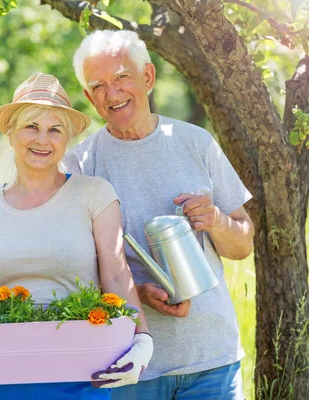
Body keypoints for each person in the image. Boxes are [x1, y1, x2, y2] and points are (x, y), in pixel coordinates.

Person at [0, 73, 153, 399]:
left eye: (55, 129)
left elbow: (117, 275)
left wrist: (141, 340)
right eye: (31, 126)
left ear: (67, 139)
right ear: (10, 134)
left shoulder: (94, 195)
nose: (42, 139)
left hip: (82, 376)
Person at [63, 30, 255, 400]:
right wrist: (135, 292)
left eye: (121, 77)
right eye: (98, 85)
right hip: (128, 365)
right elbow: (73, 271)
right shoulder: (80, 164)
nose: (112, 94)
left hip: (211, 361)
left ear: (147, 77)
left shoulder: (196, 143)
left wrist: (214, 219)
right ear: (88, 97)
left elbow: (243, 243)